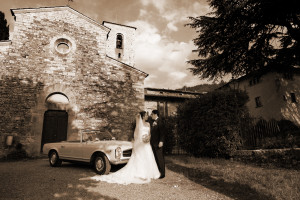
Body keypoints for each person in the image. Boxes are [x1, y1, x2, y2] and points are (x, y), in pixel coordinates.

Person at [91, 111, 160, 184]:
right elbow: (136, 135)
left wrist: (148, 138)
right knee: (141, 158)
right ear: (142, 116)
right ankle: (141, 174)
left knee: (148, 157)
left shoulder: (148, 124)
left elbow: (149, 133)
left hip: (147, 143)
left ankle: (149, 173)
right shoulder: (139, 124)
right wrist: (141, 140)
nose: (147, 116)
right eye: (146, 115)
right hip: (140, 143)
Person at [150, 110, 165, 178]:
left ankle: (162, 173)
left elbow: (162, 132)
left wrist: (161, 141)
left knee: (160, 158)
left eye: (152, 114)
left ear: (156, 114)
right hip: (154, 143)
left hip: (158, 143)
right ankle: (158, 171)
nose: (151, 115)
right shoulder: (154, 122)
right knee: (156, 158)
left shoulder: (160, 121)